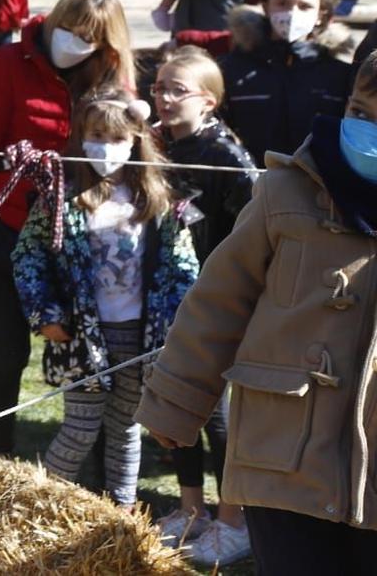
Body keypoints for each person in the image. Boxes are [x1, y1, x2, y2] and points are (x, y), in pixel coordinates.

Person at [138, 51, 377, 573]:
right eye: (361, 113)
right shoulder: (288, 189)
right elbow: (220, 299)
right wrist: (175, 400)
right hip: (283, 455)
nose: (368, 132)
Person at [0, 0, 137, 455]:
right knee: (8, 350)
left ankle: (95, 454)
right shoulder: (6, 64)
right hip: (11, 229)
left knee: (90, 351)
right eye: (67, 29)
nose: (72, 41)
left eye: (86, 36)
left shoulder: (111, 78)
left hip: (82, 235)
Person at [13, 95, 196, 508]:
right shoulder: (61, 198)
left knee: (127, 427)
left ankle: (122, 510)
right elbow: (28, 256)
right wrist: (44, 312)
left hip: (141, 338)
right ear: (81, 137)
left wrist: (177, 322)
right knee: (80, 426)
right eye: (96, 135)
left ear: (135, 140)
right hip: (81, 337)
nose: (106, 146)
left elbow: (184, 267)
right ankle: (41, 507)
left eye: (117, 137)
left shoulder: (159, 200)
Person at [145, 46, 256, 562]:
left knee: (220, 416)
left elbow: (253, 233)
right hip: (172, 297)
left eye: (177, 89)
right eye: (159, 86)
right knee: (175, 402)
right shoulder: (159, 145)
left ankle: (234, 518)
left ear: (208, 102)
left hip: (219, 302)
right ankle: (191, 508)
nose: (164, 97)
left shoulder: (228, 158)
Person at [220, 0, 354, 162]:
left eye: (305, 6)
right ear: (266, 7)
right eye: (282, 3)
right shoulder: (232, 68)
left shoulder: (340, 74)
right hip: (250, 183)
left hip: (317, 185)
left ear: (321, 14)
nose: (292, 13)